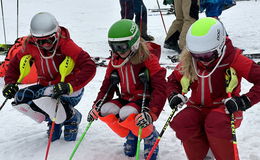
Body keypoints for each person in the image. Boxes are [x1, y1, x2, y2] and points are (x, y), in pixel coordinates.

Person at [167, 17, 260, 159]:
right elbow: (173, 80)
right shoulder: (191, 60)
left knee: (215, 122)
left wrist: (244, 101)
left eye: (207, 55)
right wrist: (173, 94)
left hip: (227, 108)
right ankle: (203, 155)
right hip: (198, 107)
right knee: (183, 122)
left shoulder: (233, 58)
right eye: (196, 55)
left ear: (220, 45)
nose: (201, 60)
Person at [2, 12, 96, 142]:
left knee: (44, 95)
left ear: (56, 33)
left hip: (70, 90)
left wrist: (70, 85)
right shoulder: (30, 45)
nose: (46, 44)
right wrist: (10, 83)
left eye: (50, 39)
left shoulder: (65, 44)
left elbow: (89, 66)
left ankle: (72, 117)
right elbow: (14, 64)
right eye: (41, 41)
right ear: (34, 38)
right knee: (21, 98)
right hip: (46, 87)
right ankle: (54, 119)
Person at [87, 19, 167, 160]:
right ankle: (132, 133)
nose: (118, 51)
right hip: (126, 98)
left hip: (143, 101)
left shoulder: (148, 58)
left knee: (127, 112)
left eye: (122, 47)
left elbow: (161, 88)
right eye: (114, 47)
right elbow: (106, 85)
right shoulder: (116, 59)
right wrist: (96, 105)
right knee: (105, 110)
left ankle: (149, 135)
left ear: (134, 43)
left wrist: (152, 113)